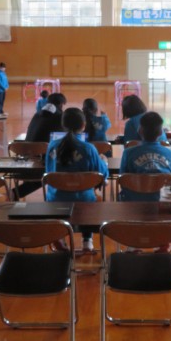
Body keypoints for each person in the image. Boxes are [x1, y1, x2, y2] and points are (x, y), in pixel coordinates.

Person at [46, 107, 108, 252]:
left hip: (56, 199)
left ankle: (59, 236)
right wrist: (103, 161)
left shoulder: (52, 146)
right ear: (83, 125)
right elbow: (101, 175)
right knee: (94, 196)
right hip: (83, 200)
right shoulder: (89, 148)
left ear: (63, 125)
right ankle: (87, 240)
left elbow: (49, 172)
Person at [119, 111, 171, 202]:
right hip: (162, 203)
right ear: (161, 133)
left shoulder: (128, 153)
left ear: (139, 130)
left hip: (133, 204)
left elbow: (122, 181)